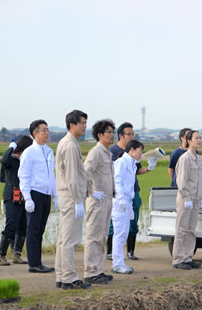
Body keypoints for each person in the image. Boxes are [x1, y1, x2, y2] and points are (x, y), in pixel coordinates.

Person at [106, 122, 156, 261]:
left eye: (133, 134)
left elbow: (136, 171)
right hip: (119, 195)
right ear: (121, 135)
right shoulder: (114, 153)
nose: (132, 136)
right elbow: (116, 178)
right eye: (129, 134)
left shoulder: (134, 157)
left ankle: (130, 252)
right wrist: (120, 197)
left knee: (132, 223)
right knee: (115, 225)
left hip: (133, 192)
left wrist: (149, 168)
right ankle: (112, 253)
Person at [55, 110, 92, 290]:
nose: (85, 126)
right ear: (72, 125)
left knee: (64, 238)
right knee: (70, 239)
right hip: (71, 197)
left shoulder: (69, 142)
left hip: (67, 195)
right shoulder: (69, 145)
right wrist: (78, 200)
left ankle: (62, 275)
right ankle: (68, 277)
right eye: (82, 123)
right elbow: (72, 176)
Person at [18, 120, 58, 273]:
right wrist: (27, 197)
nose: (47, 133)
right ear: (35, 133)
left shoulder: (48, 151)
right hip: (35, 193)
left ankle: (38, 262)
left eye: (48, 130)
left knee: (40, 230)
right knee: (33, 230)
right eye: (44, 130)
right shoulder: (29, 152)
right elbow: (23, 175)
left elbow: (51, 175)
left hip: (46, 194)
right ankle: (34, 264)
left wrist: (55, 196)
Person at [83, 119, 116, 285]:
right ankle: (90, 272)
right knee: (94, 237)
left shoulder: (107, 152)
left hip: (107, 200)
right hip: (97, 201)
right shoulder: (95, 152)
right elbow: (85, 172)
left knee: (102, 236)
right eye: (108, 132)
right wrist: (91, 192)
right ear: (99, 135)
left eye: (113, 131)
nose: (112, 135)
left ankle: (98, 270)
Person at [0, 135, 33, 266]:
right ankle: (1, 256)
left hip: (24, 197)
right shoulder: (10, 160)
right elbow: (4, 163)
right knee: (11, 226)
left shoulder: (26, 161)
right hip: (12, 196)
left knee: (23, 226)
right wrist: (11, 148)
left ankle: (17, 255)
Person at [172, 130, 202, 270]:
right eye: (196, 138)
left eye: (200, 138)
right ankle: (178, 259)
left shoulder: (199, 158)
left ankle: (188, 257)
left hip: (195, 199)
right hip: (186, 199)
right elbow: (182, 180)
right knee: (181, 229)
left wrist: (200, 197)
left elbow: (200, 181)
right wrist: (186, 198)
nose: (199, 140)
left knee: (191, 230)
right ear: (188, 141)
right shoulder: (185, 158)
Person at [111, 140, 145, 274]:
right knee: (119, 233)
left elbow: (130, 186)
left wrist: (129, 205)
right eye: (139, 150)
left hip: (126, 202)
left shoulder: (131, 164)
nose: (141, 153)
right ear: (131, 150)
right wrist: (120, 199)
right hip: (120, 203)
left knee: (123, 233)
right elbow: (117, 180)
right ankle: (117, 263)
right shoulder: (121, 162)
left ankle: (119, 262)